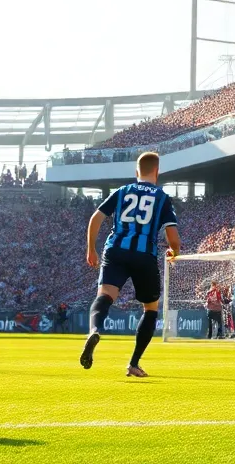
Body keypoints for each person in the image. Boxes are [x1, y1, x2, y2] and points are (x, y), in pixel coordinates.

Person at [80, 151, 180, 378]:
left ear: (137, 172)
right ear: (157, 171)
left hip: (115, 249)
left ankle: (94, 330)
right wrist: (175, 251)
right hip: (144, 255)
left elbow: (96, 218)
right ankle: (133, 363)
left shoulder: (122, 191)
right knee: (151, 308)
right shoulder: (162, 197)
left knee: (105, 295)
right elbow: (172, 236)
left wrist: (91, 249)